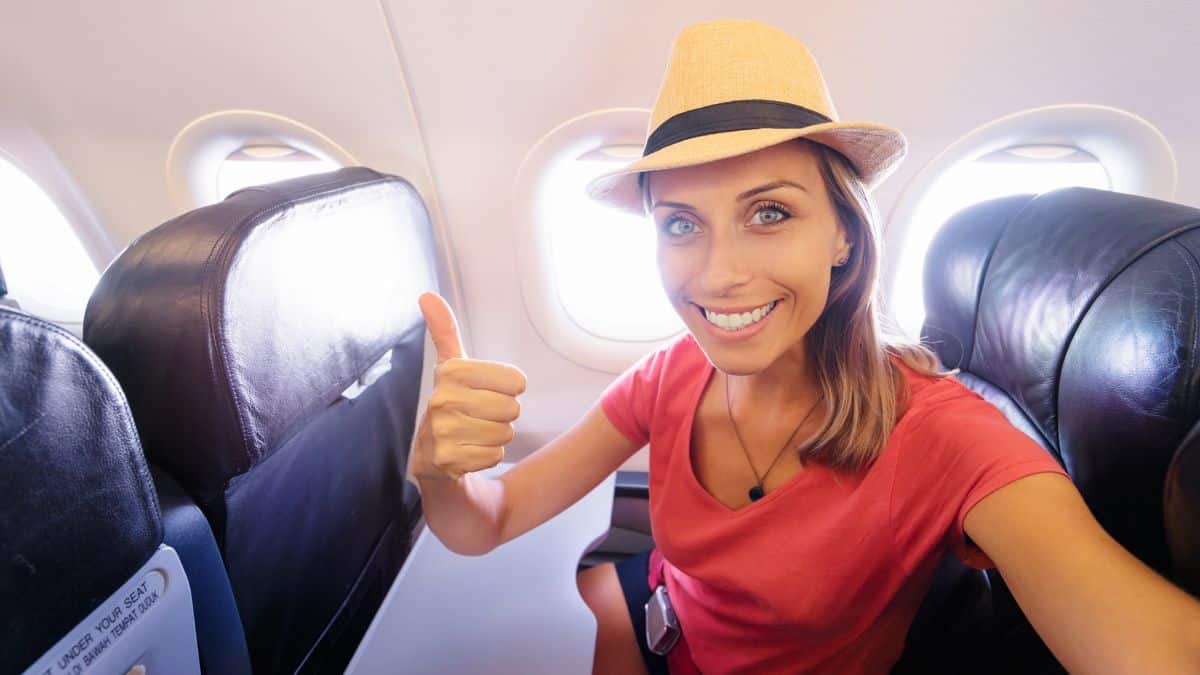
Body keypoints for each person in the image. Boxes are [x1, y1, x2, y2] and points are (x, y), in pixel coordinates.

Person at [411, 18, 1200, 675]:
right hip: (661, 622)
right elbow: (492, 518)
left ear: (844, 237)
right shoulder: (670, 373)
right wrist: (438, 469)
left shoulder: (942, 438)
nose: (718, 275)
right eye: (681, 224)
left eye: (769, 213)